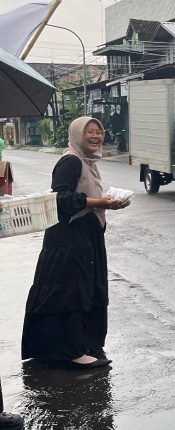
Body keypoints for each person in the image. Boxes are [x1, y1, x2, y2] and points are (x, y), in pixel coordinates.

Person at [21, 117, 128, 370]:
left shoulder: (88, 162)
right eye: (89, 132)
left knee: (90, 289)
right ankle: (71, 351)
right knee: (72, 291)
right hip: (69, 237)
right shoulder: (70, 161)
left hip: (86, 234)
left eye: (99, 132)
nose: (95, 136)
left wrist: (108, 202)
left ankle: (86, 344)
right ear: (78, 135)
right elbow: (60, 198)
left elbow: (86, 198)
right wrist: (99, 202)